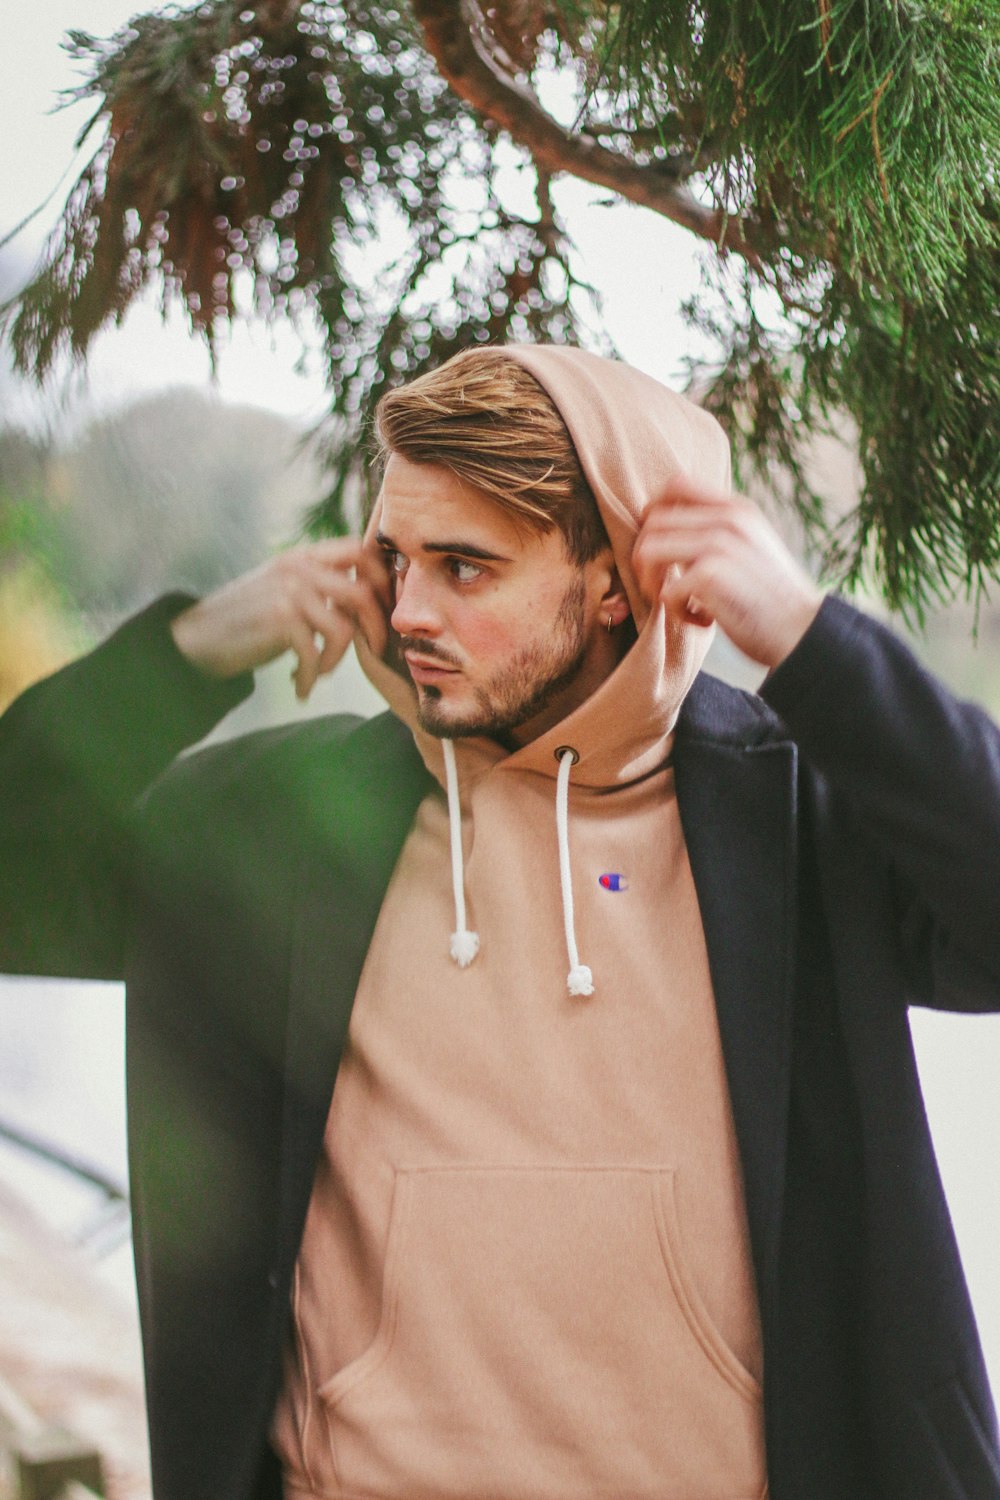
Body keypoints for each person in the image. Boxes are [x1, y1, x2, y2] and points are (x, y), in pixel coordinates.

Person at [2, 344, 1000, 1500]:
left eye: (465, 568)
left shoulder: (796, 823)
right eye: (395, 559)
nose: (410, 608)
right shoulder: (275, 832)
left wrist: (812, 643)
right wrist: (191, 653)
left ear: (616, 578)